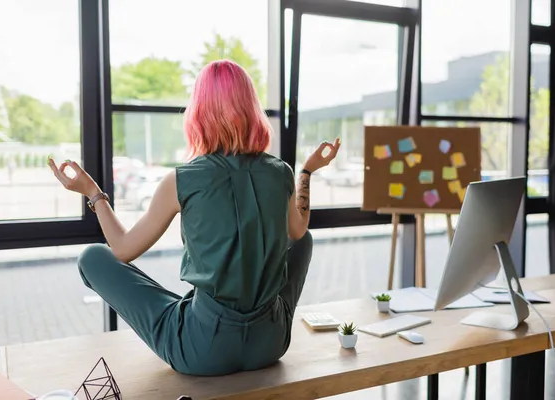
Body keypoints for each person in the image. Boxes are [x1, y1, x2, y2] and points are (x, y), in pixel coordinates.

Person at [47, 59, 341, 376]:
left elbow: (121, 249)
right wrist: (307, 171)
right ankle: (225, 312)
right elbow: (299, 231)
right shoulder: (280, 172)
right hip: (270, 343)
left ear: (199, 113)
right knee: (303, 242)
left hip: (203, 351)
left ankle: (195, 311)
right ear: (251, 108)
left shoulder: (181, 180)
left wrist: (93, 193)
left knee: (93, 256)